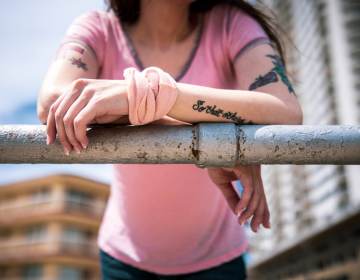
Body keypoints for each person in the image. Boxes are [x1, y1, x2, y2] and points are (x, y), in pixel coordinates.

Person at [37, 0, 303, 279]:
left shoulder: (231, 23)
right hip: (124, 258)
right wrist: (214, 142)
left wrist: (142, 97)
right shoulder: (98, 28)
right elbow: (53, 101)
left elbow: (285, 112)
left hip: (217, 260)